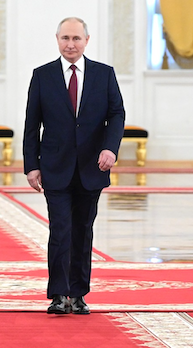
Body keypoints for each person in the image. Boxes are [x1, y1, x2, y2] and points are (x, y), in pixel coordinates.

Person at [23, 17, 125, 315]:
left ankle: (78, 294)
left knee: (82, 230)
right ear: (57, 40)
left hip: (92, 167)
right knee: (60, 229)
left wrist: (110, 148)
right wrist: (32, 165)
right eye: (65, 38)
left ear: (86, 41)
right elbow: (32, 124)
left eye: (76, 39)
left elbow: (117, 114)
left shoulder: (103, 75)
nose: (70, 44)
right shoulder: (42, 76)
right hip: (54, 166)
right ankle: (58, 294)